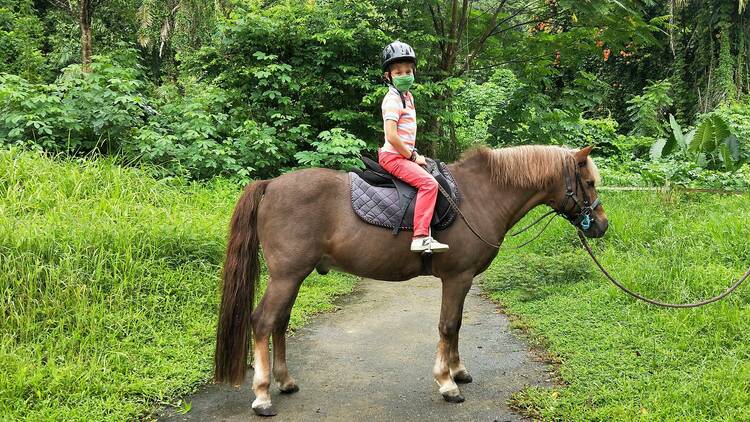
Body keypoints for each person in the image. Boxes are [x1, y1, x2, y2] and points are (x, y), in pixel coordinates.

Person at [378, 40, 449, 254]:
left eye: (408, 71)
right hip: (394, 157)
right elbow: (391, 135)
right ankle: (420, 237)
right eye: (398, 72)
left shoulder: (408, 97)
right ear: (387, 76)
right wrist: (411, 156)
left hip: (402, 155)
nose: (405, 75)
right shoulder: (392, 99)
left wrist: (413, 153)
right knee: (429, 184)